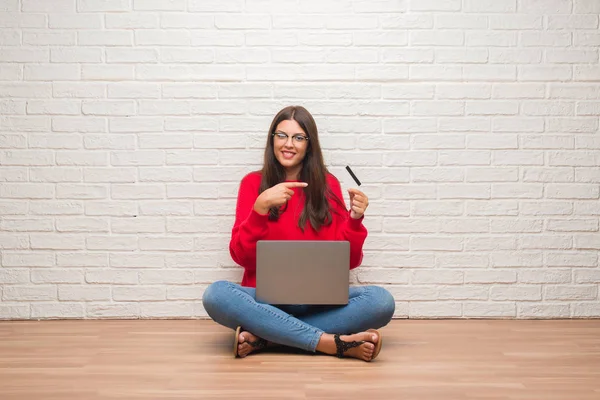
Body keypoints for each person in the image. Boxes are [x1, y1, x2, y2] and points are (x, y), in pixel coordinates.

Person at [202, 106, 395, 362]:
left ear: (309, 144)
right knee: (216, 295)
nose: (288, 144)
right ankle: (327, 342)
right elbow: (241, 256)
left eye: (298, 137)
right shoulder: (252, 184)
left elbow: (348, 263)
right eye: (281, 135)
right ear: (272, 139)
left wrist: (355, 221)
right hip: (265, 300)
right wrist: (259, 210)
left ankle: (268, 337)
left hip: (318, 302)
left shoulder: (329, 185)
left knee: (381, 301)